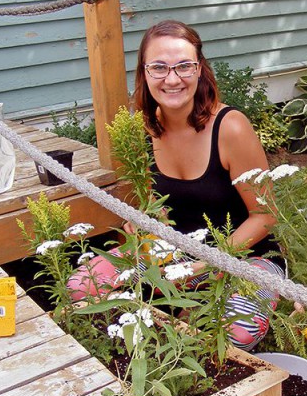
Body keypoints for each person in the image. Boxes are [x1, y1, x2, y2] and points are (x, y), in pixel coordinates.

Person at [69, 20, 284, 352]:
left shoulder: (230, 127)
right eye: (159, 67)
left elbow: (266, 216)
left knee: (232, 335)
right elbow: (156, 204)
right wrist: (141, 224)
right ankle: (148, 339)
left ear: (200, 70)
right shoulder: (142, 126)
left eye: (184, 66)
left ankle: (188, 319)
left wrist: (208, 263)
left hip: (244, 256)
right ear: (144, 73)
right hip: (169, 253)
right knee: (83, 286)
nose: (172, 79)